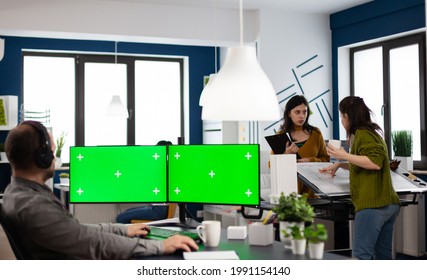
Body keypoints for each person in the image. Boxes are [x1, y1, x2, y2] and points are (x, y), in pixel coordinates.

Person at [0, 121, 198, 259]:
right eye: (51, 152)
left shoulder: (18, 194)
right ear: (41, 157)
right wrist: (160, 246)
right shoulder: (35, 206)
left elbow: (74, 231)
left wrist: (121, 229)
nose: (53, 157)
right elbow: (90, 243)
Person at [320, 96, 400, 260]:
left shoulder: (363, 135)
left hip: (373, 205)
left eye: (341, 116)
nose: (341, 120)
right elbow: (365, 162)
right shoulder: (371, 133)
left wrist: (344, 155)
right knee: (383, 256)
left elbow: (375, 163)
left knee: (361, 255)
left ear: (347, 116)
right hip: (387, 203)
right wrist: (341, 164)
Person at [271, 95, 329, 196]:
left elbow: (326, 160)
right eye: (297, 112)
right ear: (289, 113)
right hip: (288, 194)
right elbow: (271, 165)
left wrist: (310, 161)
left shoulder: (316, 133)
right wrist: (286, 155)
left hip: (313, 193)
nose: (302, 116)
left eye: (304, 112)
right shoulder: (281, 135)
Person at [116, 140, 172, 224]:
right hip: (157, 207)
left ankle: (131, 235)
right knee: (126, 212)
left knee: (121, 217)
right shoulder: (164, 167)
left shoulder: (162, 169)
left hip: (159, 210)